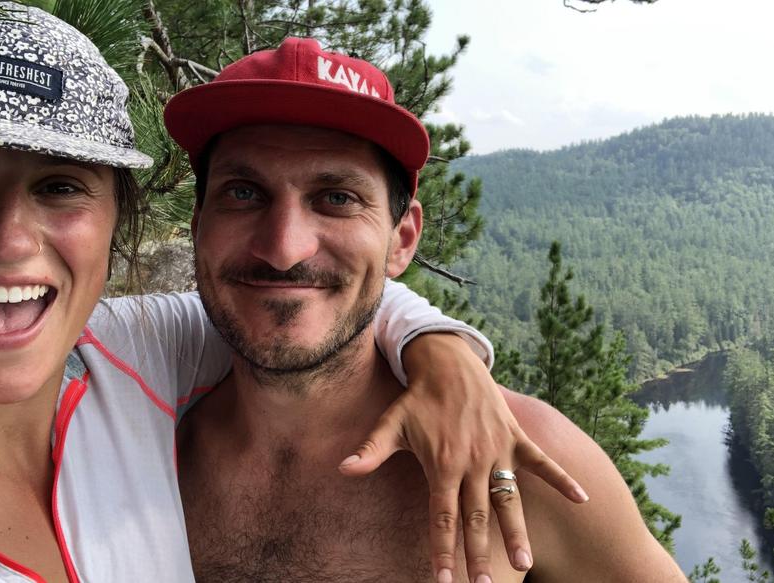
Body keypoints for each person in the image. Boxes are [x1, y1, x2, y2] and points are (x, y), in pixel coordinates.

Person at [0, 4, 584, 582]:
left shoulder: (129, 356)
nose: (7, 239)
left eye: (59, 186)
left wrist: (444, 356)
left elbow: (305, 307)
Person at [167, 37, 688, 582]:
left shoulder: (521, 457)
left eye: (337, 198)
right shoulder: (141, 442)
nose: (284, 248)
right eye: (243, 193)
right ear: (198, 225)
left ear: (402, 240)